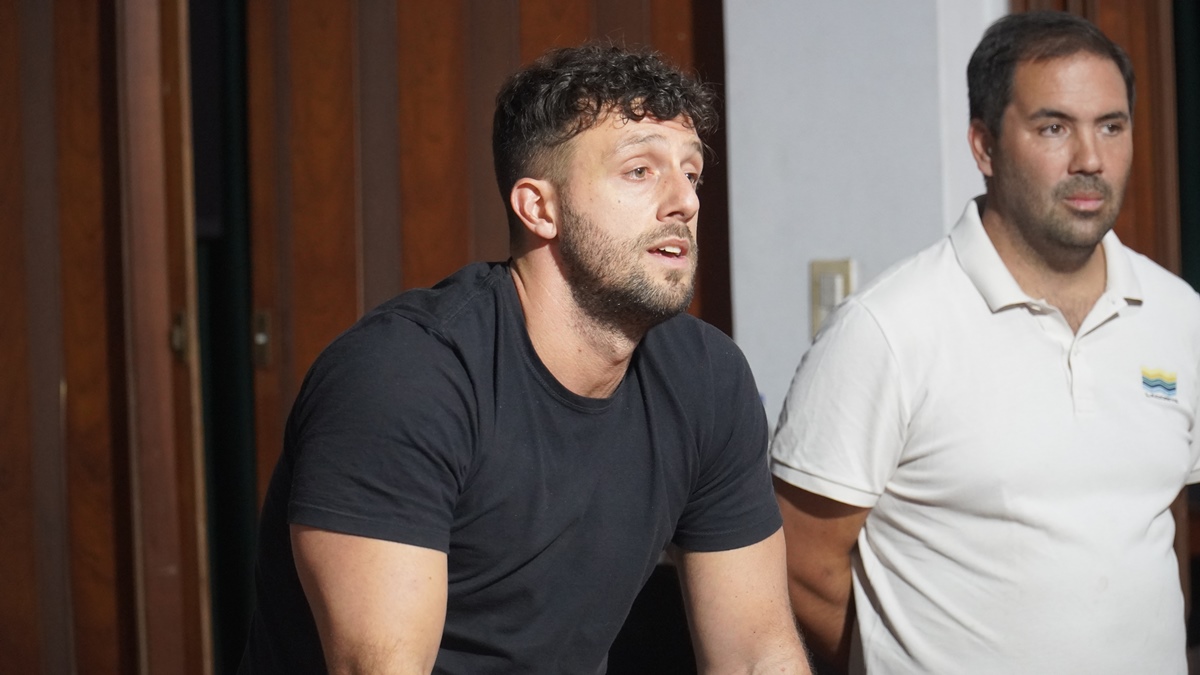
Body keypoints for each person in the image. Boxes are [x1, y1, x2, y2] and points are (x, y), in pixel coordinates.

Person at [239, 44, 811, 674]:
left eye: (692, 172)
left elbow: (757, 654)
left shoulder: (706, 378)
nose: (686, 201)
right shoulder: (405, 377)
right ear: (539, 208)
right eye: (639, 171)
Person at [771, 11, 1200, 675]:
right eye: (1054, 127)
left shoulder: (1179, 314)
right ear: (984, 146)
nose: (1090, 159)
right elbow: (802, 565)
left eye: (1111, 126)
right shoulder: (887, 330)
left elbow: (1160, 517)